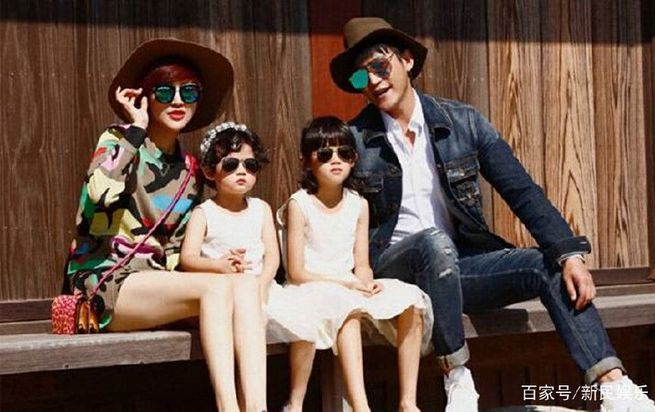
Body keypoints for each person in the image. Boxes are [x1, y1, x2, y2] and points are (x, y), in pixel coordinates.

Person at [329, 17, 655, 412]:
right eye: (361, 77)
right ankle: (457, 377)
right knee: (433, 244)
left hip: (456, 271)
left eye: (379, 67)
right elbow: (328, 211)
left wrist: (569, 254)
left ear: (407, 61)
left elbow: (521, 190)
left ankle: (616, 390)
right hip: (395, 276)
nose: (373, 82)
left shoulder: (464, 122)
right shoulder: (352, 140)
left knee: (549, 265)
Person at [64, 38, 266, 412]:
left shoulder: (190, 171)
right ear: (146, 97)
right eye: (164, 91)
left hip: (157, 287)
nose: (177, 101)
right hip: (106, 282)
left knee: (244, 285)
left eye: (188, 92)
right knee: (217, 288)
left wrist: (220, 264)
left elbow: (175, 251)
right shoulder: (118, 140)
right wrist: (136, 129)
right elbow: (98, 196)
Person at [278, 116, 433, 412]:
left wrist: (365, 280)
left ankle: (407, 402)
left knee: (412, 302)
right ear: (306, 161)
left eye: (345, 153)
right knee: (347, 311)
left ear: (354, 159)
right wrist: (346, 284)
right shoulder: (300, 204)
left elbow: (361, 262)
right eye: (325, 154)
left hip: (346, 284)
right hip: (308, 287)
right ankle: (359, 406)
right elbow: (296, 272)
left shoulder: (358, 204)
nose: (336, 160)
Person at [180, 121, 318, 344]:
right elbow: (188, 258)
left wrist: (262, 284)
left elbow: (272, 257)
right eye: (231, 164)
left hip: (263, 287)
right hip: (224, 292)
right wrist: (217, 265)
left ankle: (298, 370)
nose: (241, 171)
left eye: (250, 165)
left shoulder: (261, 208)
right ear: (209, 171)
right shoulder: (204, 213)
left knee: (308, 326)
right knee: (249, 323)